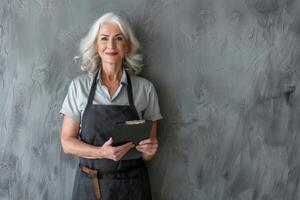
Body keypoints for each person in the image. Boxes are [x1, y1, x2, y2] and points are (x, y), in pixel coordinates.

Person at [59, 12, 162, 200]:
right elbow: (67, 143)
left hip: (133, 188)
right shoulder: (78, 87)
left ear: (127, 45)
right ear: (96, 45)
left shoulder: (145, 89)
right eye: (104, 39)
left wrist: (150, 150)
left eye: (118, 38)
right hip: (90, 187)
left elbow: (148, 150)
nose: (111, 46)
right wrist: (100, 152)